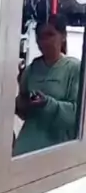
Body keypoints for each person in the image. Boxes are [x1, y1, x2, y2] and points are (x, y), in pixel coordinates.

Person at [13, 14, 81, 157]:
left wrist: (47, 104)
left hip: (57, 151)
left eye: (50, 34)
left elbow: (78, 116)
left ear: (63, 36)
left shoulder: (74, 69)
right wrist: (20, 102)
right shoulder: (31, 69)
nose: (44, 41)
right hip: (26, 148)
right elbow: (23, 113)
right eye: (40, 36)